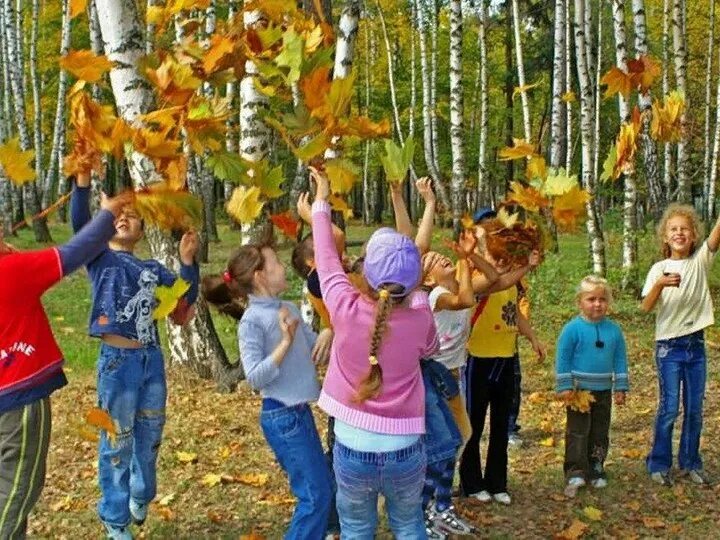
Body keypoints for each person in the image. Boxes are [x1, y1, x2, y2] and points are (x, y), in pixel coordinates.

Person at [307, 167, 439, 539]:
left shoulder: (343, 307)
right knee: (409, 524)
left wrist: (322, 199)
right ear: (414, 278)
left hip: (352, 447)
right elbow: (431, 349)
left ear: (365, 270)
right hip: (405, 448)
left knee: (356, 529)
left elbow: (326, 257)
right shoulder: (420, 313)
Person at [71, 173, 200, 539]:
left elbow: (183, 298)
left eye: (133, 215)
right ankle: (115, 518)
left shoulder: (152, 269)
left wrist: (187, 262)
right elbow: (82, 226)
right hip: (117, 364)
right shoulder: (99, 257)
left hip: (152, 363)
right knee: (117, 440)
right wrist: (82, 184)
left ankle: (141, 493)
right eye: (117, 213)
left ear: (144, 229)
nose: (125, 217)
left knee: (149, 435)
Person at [0, 190, 133, 539]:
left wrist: (84, 185)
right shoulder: (11, 272)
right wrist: (105, 215)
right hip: (17, 401)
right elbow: (72, 254)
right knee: (15, 489)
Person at [203, 228, 334, 540]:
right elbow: (254, 378)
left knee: (324, 486)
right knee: (315, 496)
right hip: (281, 417)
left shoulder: (286, 308)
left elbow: (315, 350)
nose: (283, 268)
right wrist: (284, 343)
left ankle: (331, 532)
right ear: (260, 276)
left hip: (299, 413)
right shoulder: (251, 322)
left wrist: (332, 331)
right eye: (275, 264)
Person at [419, 230, 499, 538]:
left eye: (442, 255)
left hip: (453, 375)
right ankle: (429, 507)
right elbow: (465, 298)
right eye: (433, 260)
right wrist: (465, 260)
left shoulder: (457, 284)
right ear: (427, 279)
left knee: (457, 439)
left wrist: (470, 256)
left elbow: (493, 277)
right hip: (436, 375)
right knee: (446, 442)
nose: (441, 256)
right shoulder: (436, 296)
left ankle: (440, 505)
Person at [460, 230, 545, 506]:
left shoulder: (511, 282)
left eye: (505, 257)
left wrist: (531, 336)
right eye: (495, 257)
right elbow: (495, 282)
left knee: (500, 423)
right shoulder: (477, 281)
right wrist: (524, 266)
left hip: (505, 358)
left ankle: (497, 482)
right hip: (478, 359)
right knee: (473, 423)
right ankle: (471, 483)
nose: (500, 263)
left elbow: (514, 313)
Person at [641, 203, 720, 487]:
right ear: (665, 236)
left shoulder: (700, 261)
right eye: (673, 229)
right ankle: (659, 463)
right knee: (670, 407)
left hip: (696, 347)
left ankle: (690, 463)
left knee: (695, 408)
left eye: (684, 229)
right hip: (669, 348)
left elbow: (715, 236)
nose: (679, 233)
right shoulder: (658, 269)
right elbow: (646, 307)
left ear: (694, 235)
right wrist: (660, 285)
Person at [556, 276, 628, 498]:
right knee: (578, 431)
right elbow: (563, 358)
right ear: (580, 302)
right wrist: (565, 385)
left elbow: (620, 359)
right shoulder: (572, 329)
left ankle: (596, 466)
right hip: (579, 391)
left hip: (604, 390)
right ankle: (575, 470)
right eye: (591, 299)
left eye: (602, 299)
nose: (597, 304)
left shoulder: (614, 331)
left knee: (599, 430)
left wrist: (621, 386)